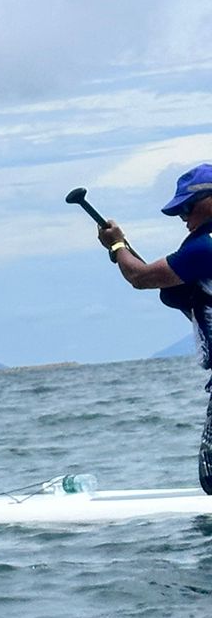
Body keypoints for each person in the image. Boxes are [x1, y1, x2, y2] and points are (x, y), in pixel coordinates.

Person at [96, 162, 212, 490]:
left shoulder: (204, 247)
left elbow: (141, 277)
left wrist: (117, 246)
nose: (184, 218)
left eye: (187, 208)